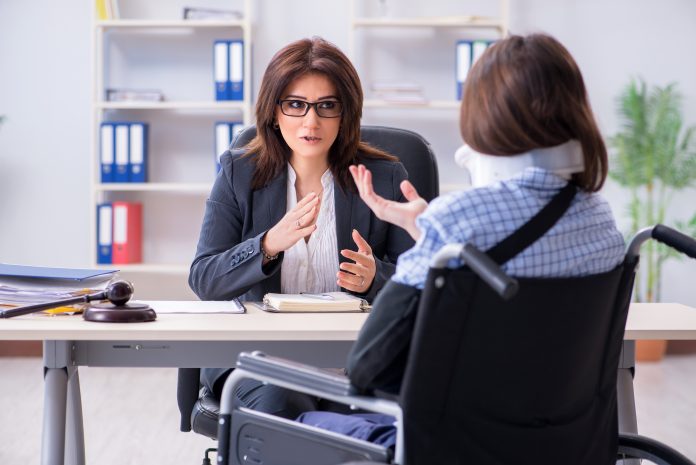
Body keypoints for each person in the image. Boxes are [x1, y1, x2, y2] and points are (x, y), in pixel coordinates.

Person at [296, 33, 626, 447]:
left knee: (287, 420)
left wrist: (435, 233)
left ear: (484, 118)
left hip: (449, 447)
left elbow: (367, 367)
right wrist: (426, 231)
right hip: (558, 447)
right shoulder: (602, 221)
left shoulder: (457, 222)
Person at [188, 37, 414, 415]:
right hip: (259, 362)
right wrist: (268, 245)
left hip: (354, 359)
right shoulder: (237, 173)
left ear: (345, 114)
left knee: (353, 412)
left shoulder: (384, 178)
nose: (311, 121)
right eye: (296, 105)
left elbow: (422, 288)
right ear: (274, 112)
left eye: (327, 106)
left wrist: (376, 278)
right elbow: (204, 279)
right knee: (285, 400)